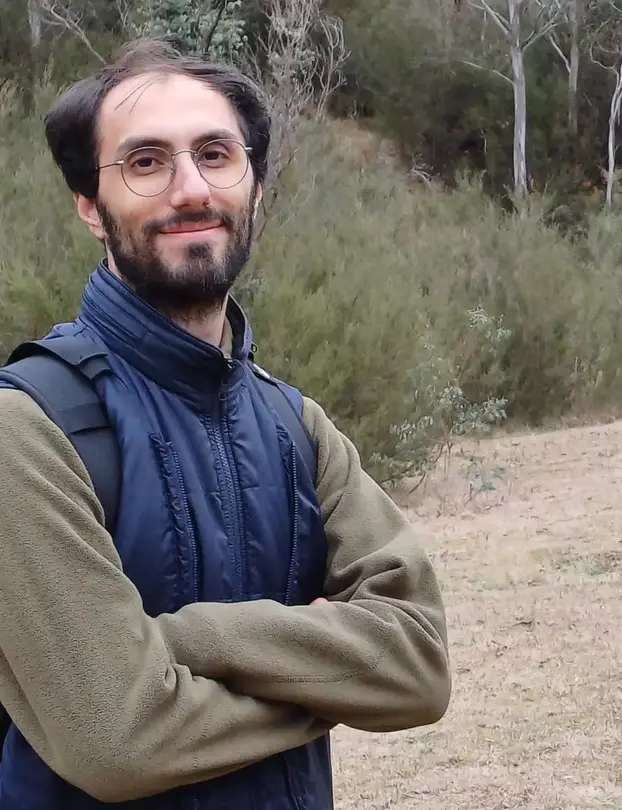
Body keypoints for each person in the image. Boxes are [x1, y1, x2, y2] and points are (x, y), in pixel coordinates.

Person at [0, 38, 452, 809]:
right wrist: (334, 674)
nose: (190, 188)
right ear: (89, 207)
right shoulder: (30, 427)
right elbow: (118, 738)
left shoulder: (296, 427)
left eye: (216, 154)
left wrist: (189, 643)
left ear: (254, 187)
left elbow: (417, 668)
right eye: (145, 162)